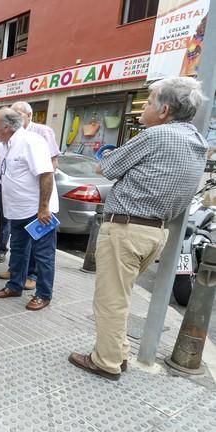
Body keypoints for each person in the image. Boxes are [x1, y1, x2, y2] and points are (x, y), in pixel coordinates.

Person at [69, 77, 208, 380]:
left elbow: (105, 167)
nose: (142, 108)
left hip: (127, 229)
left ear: (164, 109)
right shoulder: (197, 141)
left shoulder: (154, 136)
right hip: (155, 233)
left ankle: (105, 361)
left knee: (110, 299)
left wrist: (108, 157)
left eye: (148, 102)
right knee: (120, 295)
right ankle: (117, 352)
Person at [0, 108, 59, 311]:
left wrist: (44, 208)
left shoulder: (31, 141)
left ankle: (44, 294)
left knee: (43, 255)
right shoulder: (4, 145)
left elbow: (46, 174)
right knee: (19, 251)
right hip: (16, 211)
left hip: (37, 211)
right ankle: (15, 286)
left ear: (6, 127)